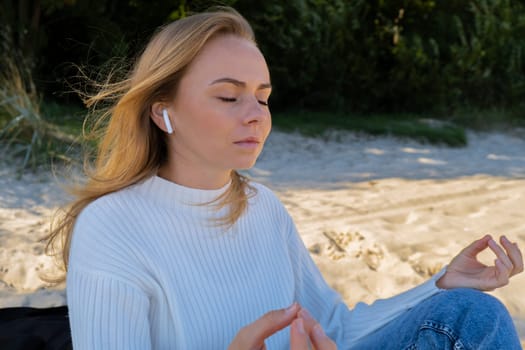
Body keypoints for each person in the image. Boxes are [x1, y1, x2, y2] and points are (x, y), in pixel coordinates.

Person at [46, 6, 524, 349]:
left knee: (471, 315)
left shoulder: (262, 207)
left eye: (263, 96)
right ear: (162, 111)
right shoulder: (112, 227)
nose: (255, 114)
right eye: (229, 97)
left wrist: (442, 284)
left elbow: (334, 326)